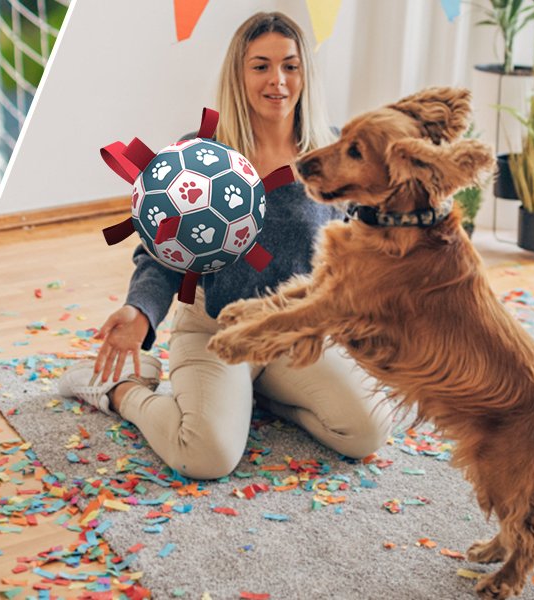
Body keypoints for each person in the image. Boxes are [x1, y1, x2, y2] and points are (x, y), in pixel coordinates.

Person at [57, 11, 393, 480]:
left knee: (367, 431)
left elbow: (359, 243)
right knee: (205, 455)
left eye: (290, 66)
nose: (277, 80)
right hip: (215, 327)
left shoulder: (334, 154)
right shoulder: (200, 153)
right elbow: (160, 253)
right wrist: (141, 310)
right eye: (261, 66)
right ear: (239, 73)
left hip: (293, 330)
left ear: (306, 74)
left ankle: (256, 398)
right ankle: (122, 390)